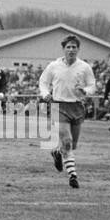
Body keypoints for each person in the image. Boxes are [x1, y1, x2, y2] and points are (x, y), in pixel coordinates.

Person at [39, 35, 98, 188]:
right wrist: (45, 94)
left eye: (74, 47)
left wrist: (85, 91)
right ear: (63, 49)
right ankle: (73, 175)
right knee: (67, 140)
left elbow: (92, 85)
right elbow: (43, 82)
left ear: (78, 49)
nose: (71, 50)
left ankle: (57, 153)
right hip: (58, 105)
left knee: (72, 145)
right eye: (68, 47)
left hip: (77, 107)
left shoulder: (84, 67)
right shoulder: (53, 66)